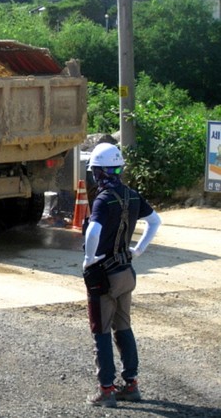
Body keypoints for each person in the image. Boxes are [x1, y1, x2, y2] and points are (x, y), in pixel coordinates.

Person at [82, 143, 161, 408]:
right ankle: (131, 384)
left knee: (101, 332)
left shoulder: (104, 199)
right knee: (124, 327)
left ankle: (106, 390)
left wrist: (89, 259)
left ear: (98, 172)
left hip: (104, 276)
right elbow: (155, 221)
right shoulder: (132, 195)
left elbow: (93, 232)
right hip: (127, 272)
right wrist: (137, 250)